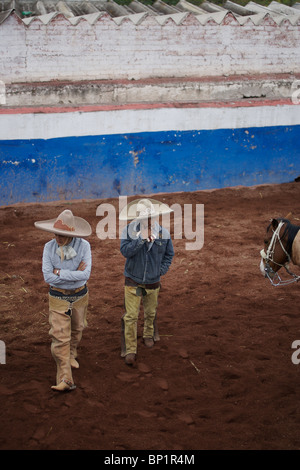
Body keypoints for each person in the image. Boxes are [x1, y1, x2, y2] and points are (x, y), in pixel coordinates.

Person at [35, 209, 92, 392]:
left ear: (71, 234)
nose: (58, 238)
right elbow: (47, 278)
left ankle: (72, 354)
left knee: (78, 328)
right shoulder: (48, 248)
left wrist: (58, 272)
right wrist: (73, 275)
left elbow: (85, 275)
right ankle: (65, 378)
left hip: (80, 295)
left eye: (63, 234)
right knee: (60, 337)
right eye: (56, 233)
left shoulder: (84, 246)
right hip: (58, 297)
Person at [119, 198, 174, 366]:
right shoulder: (128, 231)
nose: (147, 220)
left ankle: (148, 334)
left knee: (150, 312)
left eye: (150, 216)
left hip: (152, 282)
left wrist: (160, 271)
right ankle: (130, 348)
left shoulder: (163, 234)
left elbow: (169, 255)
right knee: (131, 316)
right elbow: (125, 252)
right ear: (138, 217)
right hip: (132, 281)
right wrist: (141, 239)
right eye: (144, 217)